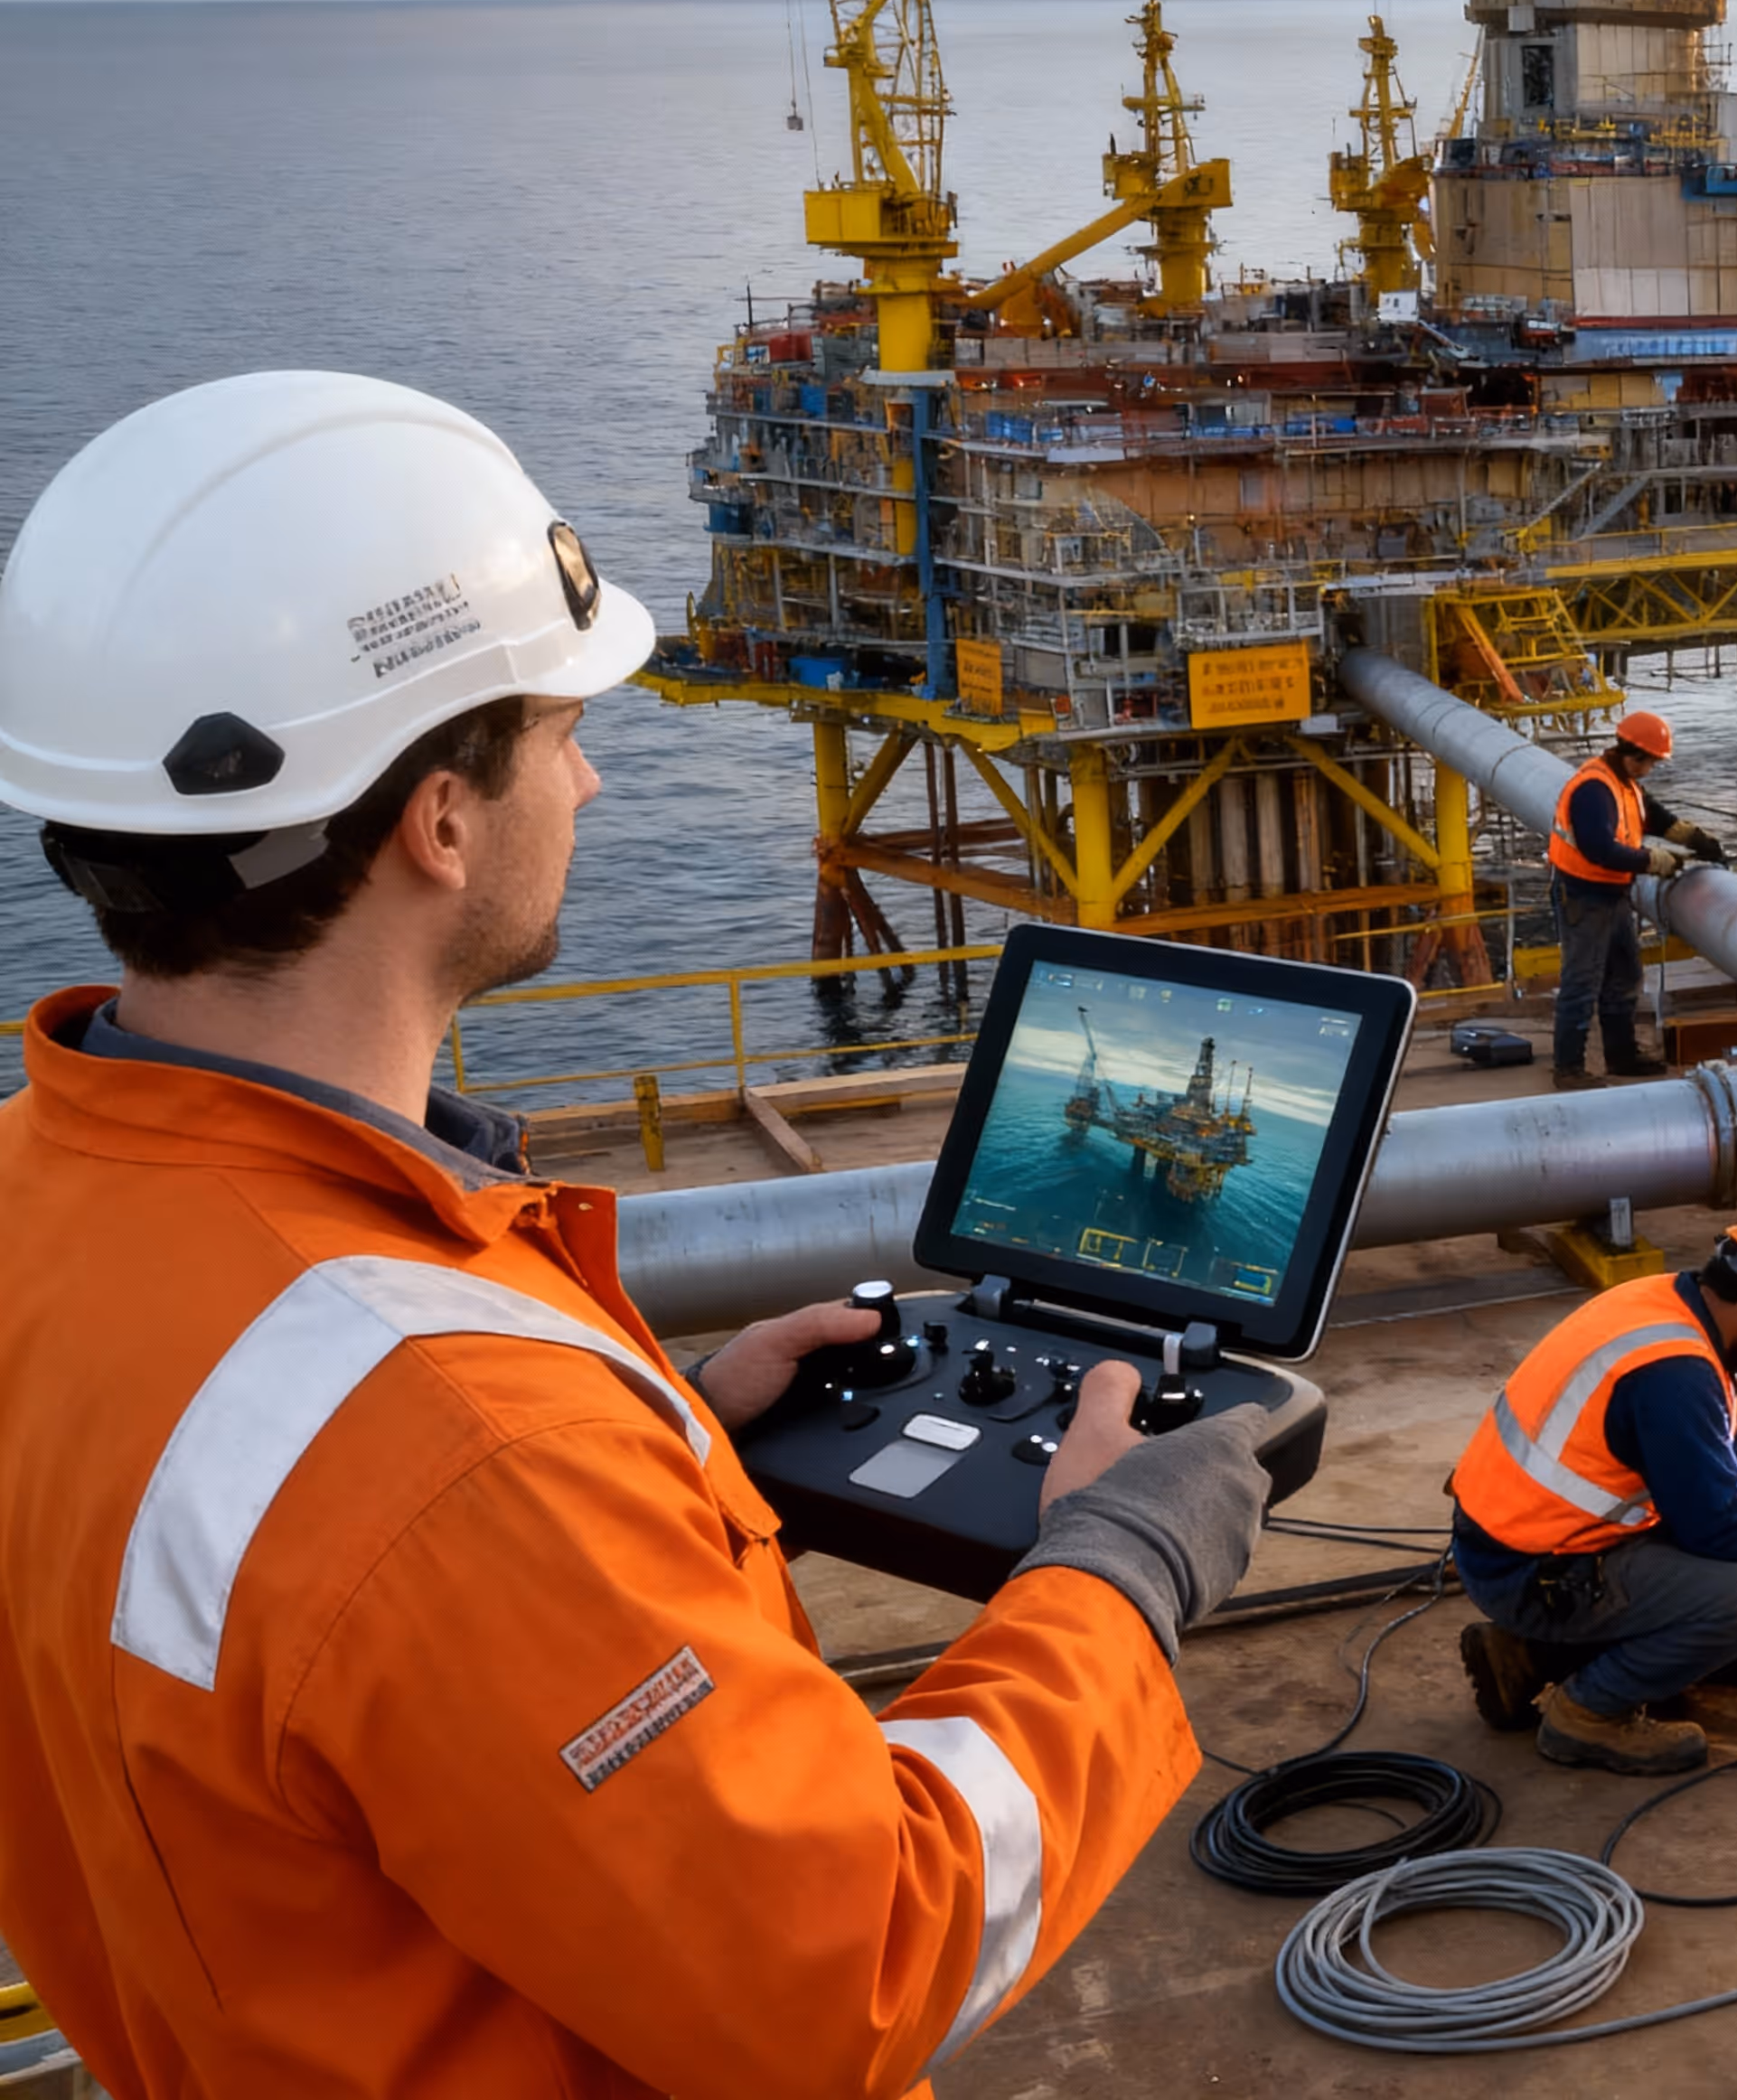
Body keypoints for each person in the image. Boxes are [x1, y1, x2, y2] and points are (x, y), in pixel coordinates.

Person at [0, 372, 1279, 2097]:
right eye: (555, 734)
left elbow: (301, 1635)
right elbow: (858, 1961)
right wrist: (1118, 1576)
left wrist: (666, 1471)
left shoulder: (43, 1194)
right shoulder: (452, 1451)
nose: (593, 783)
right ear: (437, 823)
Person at [1448, 1205, 1737, 1775]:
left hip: (1528, 1539)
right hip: (1528, 1571)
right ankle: (1587, 1713)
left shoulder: (1680, 1311)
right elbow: (1724, 1524)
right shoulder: (1673, 1375)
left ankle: (1525, 1656)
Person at [1545, 708, 1715, 1078]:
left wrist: (1698, 841)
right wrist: (1655, 861)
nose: (1652, 768)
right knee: (1582, 981)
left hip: (1610, 894)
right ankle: (1568, 1068)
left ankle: (1621, 1058)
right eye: (1651, 761)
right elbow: (1599, 850)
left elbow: (1655, 817)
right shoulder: (1595, 788)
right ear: (1635, 755)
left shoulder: (1625, 784)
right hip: (1583, 896)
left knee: (1624, 974)